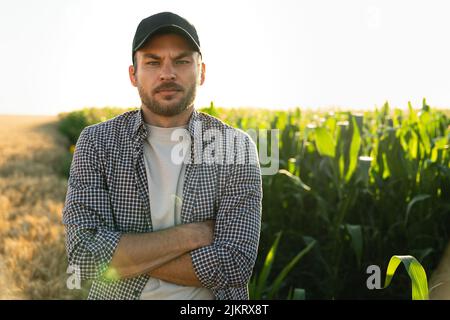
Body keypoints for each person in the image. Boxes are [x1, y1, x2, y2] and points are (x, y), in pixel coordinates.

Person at [62, 11, 263, 300]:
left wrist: (125, 256)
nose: (167, 73)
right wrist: (190, 236)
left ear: (202, 71)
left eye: (181, 61)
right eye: (153, 62)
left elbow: (234, 265)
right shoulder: (97, 143)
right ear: (133, 74)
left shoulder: (235, 148)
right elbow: (83, 255)